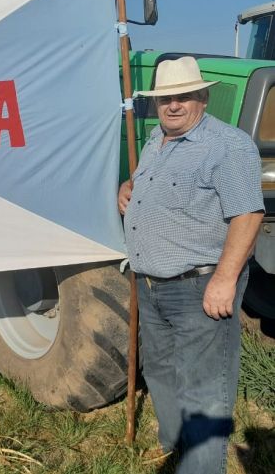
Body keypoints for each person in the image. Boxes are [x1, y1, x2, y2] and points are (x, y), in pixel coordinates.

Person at [118, 56, 264, 473]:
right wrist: (128, 189)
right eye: (166, 99)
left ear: (202, 97)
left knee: (204, 389)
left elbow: (248, 215)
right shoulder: (154, 141)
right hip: (151, 285)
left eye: (184, 96)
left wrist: (225, 279)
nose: (174, 105)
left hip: (198, 287)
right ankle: (174, 446)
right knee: (161, 371)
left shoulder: (227, 146)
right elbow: (151, 187)